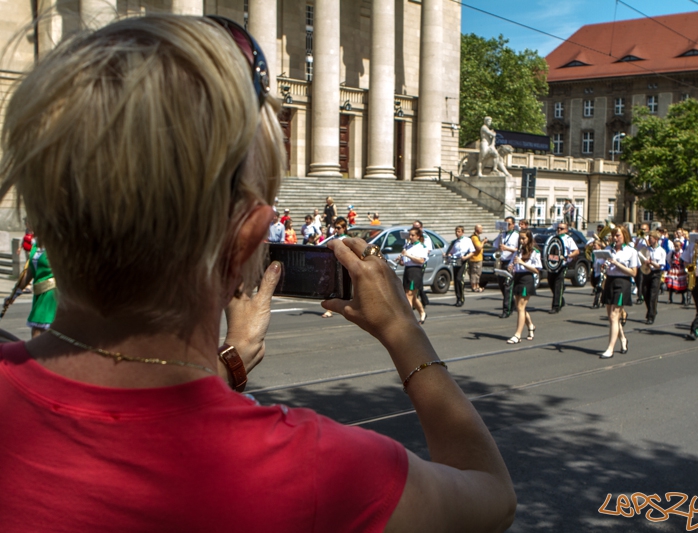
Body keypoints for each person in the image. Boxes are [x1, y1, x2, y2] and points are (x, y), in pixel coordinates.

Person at [0, 16, 516, 532]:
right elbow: (492, 497)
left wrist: (231, 359)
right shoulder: (324, 468)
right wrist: (406, 333)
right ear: (249, 239)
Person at [599, 227, 640, 358]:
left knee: (614, 315)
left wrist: (616, 263)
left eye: (618, 235)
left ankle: (610, 349)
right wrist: (603, 266)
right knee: (612, 318)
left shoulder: (631, 252)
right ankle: (623, 338)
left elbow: (633, 272)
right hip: (610, 281)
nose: (615, 238)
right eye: (613, 236)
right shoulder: (608, 249)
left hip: (623, 282)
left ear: (624, 236)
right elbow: (602, 265)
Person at [505, 229, 541, 344]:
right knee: (519, 307)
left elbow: (536, 270)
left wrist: (523, 263)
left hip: (527, 279)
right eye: (520, 238)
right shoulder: (518, 252)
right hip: (517, 278)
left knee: (521, 307)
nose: (521, 240)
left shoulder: (535, 252)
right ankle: (530, 325)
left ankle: (517, 335)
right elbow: (512, 264)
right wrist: (510, 267)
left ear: (529, 239)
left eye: (524, 238)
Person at [546, 222, 579, 314]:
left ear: (566, 230)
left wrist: (569, 256)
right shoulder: (553, 238)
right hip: (552, 264)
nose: (559, 230)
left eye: (561, 228)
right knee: (551, 282)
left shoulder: (569, 239)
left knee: (558, 284)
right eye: (558, 228)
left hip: (562, 265)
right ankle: (560, 298)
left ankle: (556, 306)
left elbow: (576, 251)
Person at [401, 227, 429, 324]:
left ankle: (408, 318)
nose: (410, 237)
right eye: (410, 235)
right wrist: (401, 259)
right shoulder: (407, 245)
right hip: (408, 270)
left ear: (418, 236)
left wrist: (408, 255)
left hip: (415, 271)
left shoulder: (421, 247)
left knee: (408, 295)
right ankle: (422, 313)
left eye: (413, 235)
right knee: (412, 296)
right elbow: (405, 261)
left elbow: (421, 260)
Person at [493, 217, 519, 318]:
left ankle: (506, 310)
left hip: (511, 262)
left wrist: (507, 248)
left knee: (508, 286)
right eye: (505, 224)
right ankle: (511, 303)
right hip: (502, 262)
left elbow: (518, 250)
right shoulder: (502, 235)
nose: (506, 226)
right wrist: (498, 250)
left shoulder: (516, 236)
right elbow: (495, 246)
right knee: (501, 285)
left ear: (513, 225)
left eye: (508, 224)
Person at [445, 226, 475, 307]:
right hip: (456, 261)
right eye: (456, 231)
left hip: (463, 260)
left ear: (462, 232)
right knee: (456, 280)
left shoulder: (467, 240)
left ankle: (461, 298)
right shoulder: (454, 242)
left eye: (459, 231)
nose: (457, 233)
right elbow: (450, 252)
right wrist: (448, 255)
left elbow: (472, 251)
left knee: (459, 279)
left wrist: (466, 257)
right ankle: (458, 298)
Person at [640, 231, 667, 324]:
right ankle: (652, 309)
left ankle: (651, 316)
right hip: (647, 272)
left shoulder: (661, 251)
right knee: (645, 292)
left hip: (656, 273)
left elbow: (660, 266)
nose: (649, 240)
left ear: (656, 239)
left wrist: (651, 262)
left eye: (650, 238)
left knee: (653, 295)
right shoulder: (646, 249)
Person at [411, 220, 432, 308]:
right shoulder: (410, 237)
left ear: (421, 228)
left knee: (417, 282)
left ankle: (416, 302)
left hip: (420, 262)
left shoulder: (425, 238)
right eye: (414, 227)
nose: (415, 229)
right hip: (411, 262)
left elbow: (427, 250)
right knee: (416, 283)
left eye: (417, 227)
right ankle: (424, 300)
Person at [665, 239, 689, 305]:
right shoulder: (672, 252)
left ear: (680, 246)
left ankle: (683, 298)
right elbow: (668, 259)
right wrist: (672, 265)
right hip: (673, 269)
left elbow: (685, 261)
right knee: (671, 283)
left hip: (680, 270)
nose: (676, 247)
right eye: (675, 246)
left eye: (677, 246)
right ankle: (670, 298)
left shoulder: (682, 253)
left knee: (681, 284)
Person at [633, 223, 650, 305]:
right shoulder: (637, 238)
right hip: (638, 260)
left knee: (641, 279)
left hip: (645, 261)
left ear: (648, 230)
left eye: (644, 229)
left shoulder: (649, 238)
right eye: (641, 229)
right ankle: (641, 293)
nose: (642, 231)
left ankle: (640, 296)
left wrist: (645, 239)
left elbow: (650, 247)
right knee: (637, 279)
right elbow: (634, 247)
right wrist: (637, 240)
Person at [469, 224, 489, 293]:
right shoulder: (474, 237)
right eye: (481, 229)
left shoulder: (477, 237)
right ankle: (474, 287)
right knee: (474, 273)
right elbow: (479, 247)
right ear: (477, 229)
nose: (482, 230)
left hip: (478, 258)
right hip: (475, 258)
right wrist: (483, 242)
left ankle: (477, 286)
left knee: (478, 273)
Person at [589, 237, 607, 309]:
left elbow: (605, 261)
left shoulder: (602, 253)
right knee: (598, 287)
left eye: (595, 245)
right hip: (595, 271)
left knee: (598, 287)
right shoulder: (593, 253)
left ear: (599, 246)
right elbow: (593, 262)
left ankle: (596, 303)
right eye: (593, 245)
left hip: (601, 272)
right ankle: (603, 301)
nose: (594, 246)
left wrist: (603, 266)